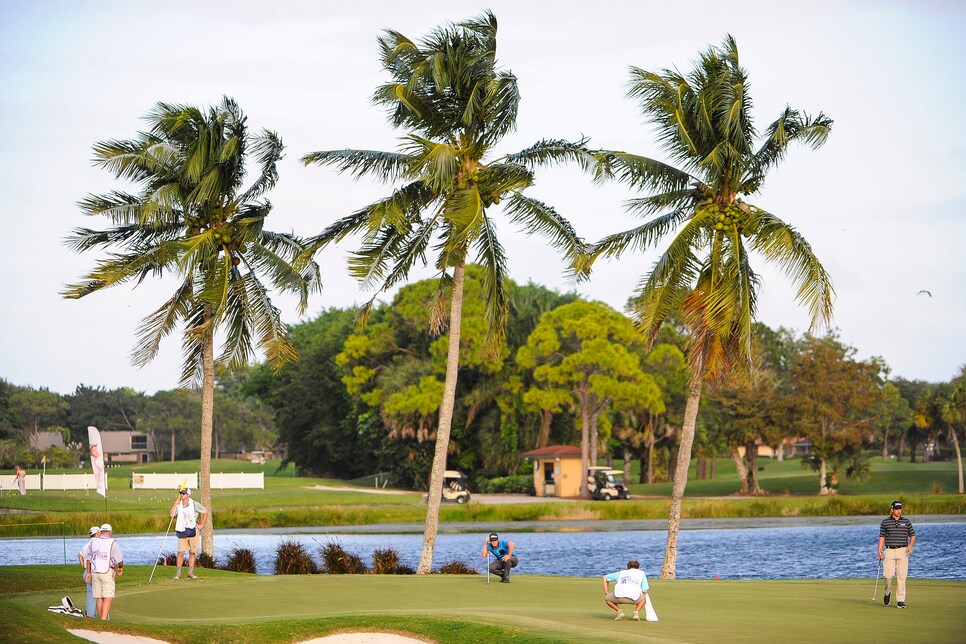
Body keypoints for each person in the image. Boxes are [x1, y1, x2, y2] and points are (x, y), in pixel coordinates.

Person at [878, 499, 916, 608]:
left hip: (903, 551)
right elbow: (882, 537)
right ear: (892, 510)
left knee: (902, 577)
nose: (899, 511)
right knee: (887, 576)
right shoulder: (885, 522)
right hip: (889, 551)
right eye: (896, 509)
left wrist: (910, 546)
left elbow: (912, 536)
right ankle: (887, 592)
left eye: (900, 509)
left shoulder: (907, 522)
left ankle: (900, 600)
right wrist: (879, 551)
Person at [170, 487, 209, 579]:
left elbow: (206, 511)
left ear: (188, 495)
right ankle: (178, 573)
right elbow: (172, 514)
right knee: (181, 552)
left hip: (193, 530)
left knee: (192, 552)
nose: (181, 495)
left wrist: (202, 524)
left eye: (183, 494)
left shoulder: (194, 504)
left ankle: (190, 573)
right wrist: (175, 503)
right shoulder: (179, 505)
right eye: (181, 493)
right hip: (182, 530)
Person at [86, 523, 123, 620]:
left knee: (99, 597)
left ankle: (101, 619)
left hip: (95, 572)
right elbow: (120, 560)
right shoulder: (112, 542)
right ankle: (103, 620)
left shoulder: (93, 542)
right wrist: (120, 568)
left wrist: (88, 573)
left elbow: (88, 559)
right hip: (107, 572)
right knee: (108, 596)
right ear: (110, 532)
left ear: (101, 532)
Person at [78, 525, 101, 618]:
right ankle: (103, 617)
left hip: (86, 572)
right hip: (94, 572)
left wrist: (84, 567)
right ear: (97, 534)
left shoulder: (86, 545)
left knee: (91, 596)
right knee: (100, 595)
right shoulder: (99, 543)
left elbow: (79, 556)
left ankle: (90, 616)